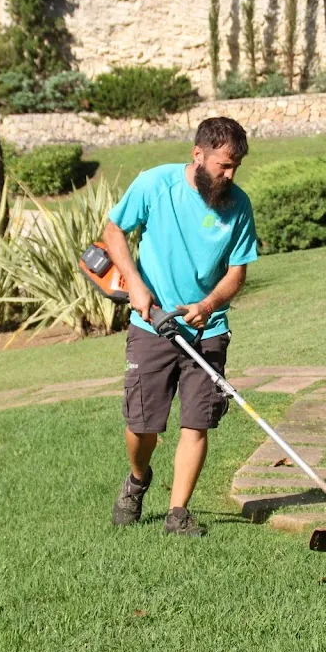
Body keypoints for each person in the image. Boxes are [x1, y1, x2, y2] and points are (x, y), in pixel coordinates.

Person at [102, 117, 259, 537]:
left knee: (197, 421)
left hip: (207, 329)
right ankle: (137, 480)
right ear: (198, 154)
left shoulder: (237, 205)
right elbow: (113, 231)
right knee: (142, 426)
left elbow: (237, 272)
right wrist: (135, 283)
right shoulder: (155, 185)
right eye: (223, 166)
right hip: (152, 325)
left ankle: (177, 513)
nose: (229, 176)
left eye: (235, 168)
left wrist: (209, 304)